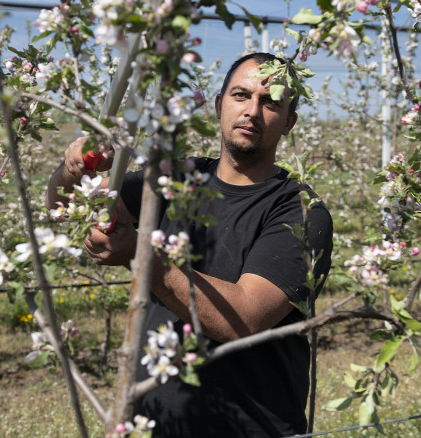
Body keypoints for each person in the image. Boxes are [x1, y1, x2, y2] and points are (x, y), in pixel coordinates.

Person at [48, 52, 333, 437]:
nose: (252, 110)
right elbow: (67, 208)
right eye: (240, 95)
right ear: (219, 105)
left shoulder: (301, 210)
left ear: (289, 123)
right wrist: (74, 167)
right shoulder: (176, 180)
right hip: (152, 422)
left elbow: (244, 318)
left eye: (271, 103)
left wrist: (141, 253)